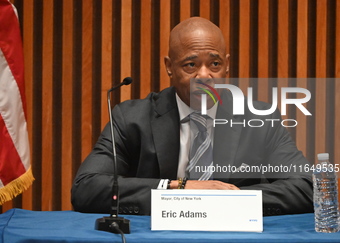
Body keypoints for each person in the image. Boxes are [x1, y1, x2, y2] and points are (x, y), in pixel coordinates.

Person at [71, 17, 313, 216]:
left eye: (215, 63)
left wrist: (231, 199)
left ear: (227, 65)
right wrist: (179, 188)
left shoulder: (259, 120)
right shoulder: (132, 119)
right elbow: (87, 188)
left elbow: (305, 187)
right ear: (169, 66)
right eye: (190, 65)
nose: (204, 75)